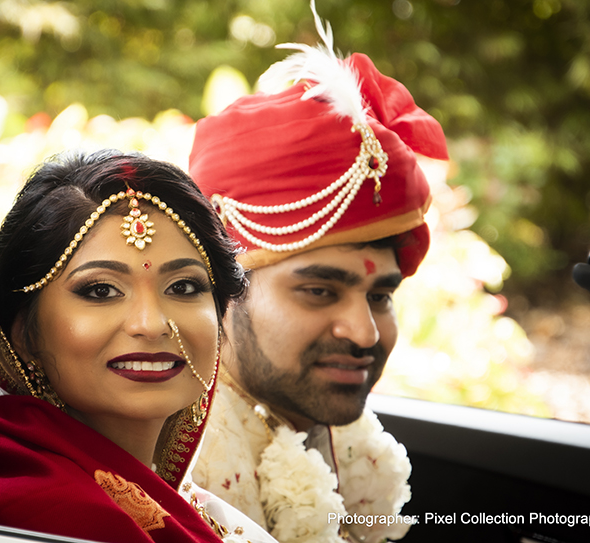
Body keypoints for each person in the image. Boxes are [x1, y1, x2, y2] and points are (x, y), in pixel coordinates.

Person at [188, 3, 449, 542]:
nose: (365, 332)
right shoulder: (178, 477)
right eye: (318, 290)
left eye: (380, 296)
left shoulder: (322, 428)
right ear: (222, 291)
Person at [0, 150, 278, 543]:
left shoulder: (184, 502)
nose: (151, 324)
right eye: (101, 290)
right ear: (24, 335)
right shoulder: (29, 518)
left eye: (183, 287)